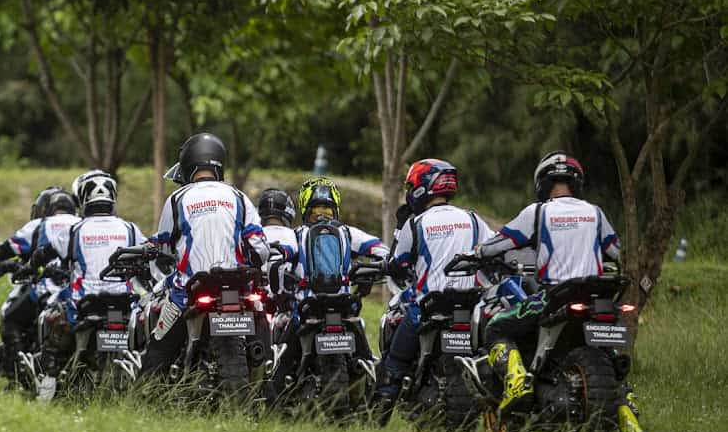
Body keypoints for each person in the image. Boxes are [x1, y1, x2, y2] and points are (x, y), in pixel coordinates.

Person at [473, 151, 642, 432]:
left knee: (497, 328)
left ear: (542, 182)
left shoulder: (537, 212)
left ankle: (516, 381)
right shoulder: (596, 213)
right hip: (596, 298)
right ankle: (629, 416)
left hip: (552, 296)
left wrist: (477, 252)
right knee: (607, 354)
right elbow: (617, 252)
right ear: (577, 183)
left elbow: (498, 244)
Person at [139, 133, 270, 380]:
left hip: (188, 291)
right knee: (264, 356)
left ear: (187, 164)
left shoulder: (177, 198)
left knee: (158, 352)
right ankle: (270, 396)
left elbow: (163, 244)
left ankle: (144, 396)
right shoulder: (239, 197)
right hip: (239, 288)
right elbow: (259, 248)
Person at [373, 159, 492, 414]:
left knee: (395, 360)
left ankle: (383, 404)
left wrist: (399, 230)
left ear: (420, 187)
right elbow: (492, 250)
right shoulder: (473, 219)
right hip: (470, 305)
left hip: (429, 305)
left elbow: (397, 263)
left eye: (410, 186)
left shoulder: (416, 224)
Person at [267, 177, 388, 399]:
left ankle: (273, 404)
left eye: (325, 211)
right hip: (345, 308)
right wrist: (373, 269)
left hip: (306, 309)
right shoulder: (349, 233)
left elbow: (277, 255)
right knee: (369, 361)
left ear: (304, 208)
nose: (322, 216)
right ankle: (376, 399)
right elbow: (382, 251)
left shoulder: (296, 235)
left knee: (280, 366)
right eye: (318, 211)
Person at [33, 170, 144, 401]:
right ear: (113, 196)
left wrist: (33, 264)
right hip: (124, 305)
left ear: (83, 198)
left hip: (84, 306)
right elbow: (147, 255)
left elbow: (46, 253)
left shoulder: (75, 230)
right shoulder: (130, 229)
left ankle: (48, 384)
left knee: (51, 326)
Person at [0, 185, 80, 382]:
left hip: (48, 288)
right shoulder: (83, 223)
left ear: (44, 208)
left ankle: (19, 374)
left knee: (10, 318)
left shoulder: (40, 225)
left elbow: (4, 249)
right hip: (79, 291)